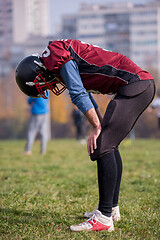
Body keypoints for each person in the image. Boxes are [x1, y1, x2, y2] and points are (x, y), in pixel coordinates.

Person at [15, 39, 155, 232]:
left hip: (137, 85)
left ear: (38, 72)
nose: (49, 87)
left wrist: (97, 127)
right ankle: (111, 209)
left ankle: (104, 218)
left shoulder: (56, 56)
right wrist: (98, 124)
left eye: (43, 85)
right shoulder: (60, 59)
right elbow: (86, 93)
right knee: (108, 143)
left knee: (103, 144)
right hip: (138, 85)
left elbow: (78, 92)